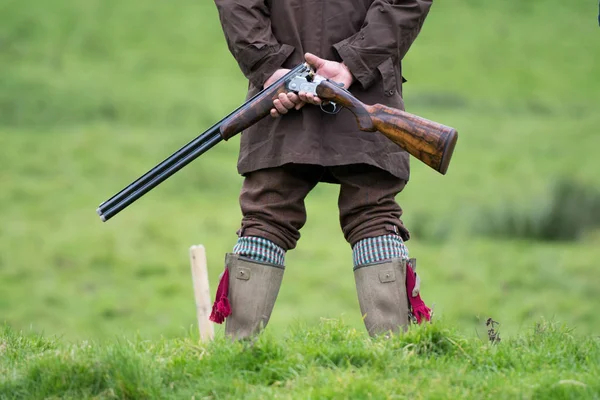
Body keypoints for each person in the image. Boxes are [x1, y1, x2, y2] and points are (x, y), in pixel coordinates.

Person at [210, 0, 433, 339]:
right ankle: (396, 356)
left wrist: (270, 66)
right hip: (361, 83)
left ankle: (237, 355)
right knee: (374, 214)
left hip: (288, 93)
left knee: (265, 216)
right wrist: (354, 63)